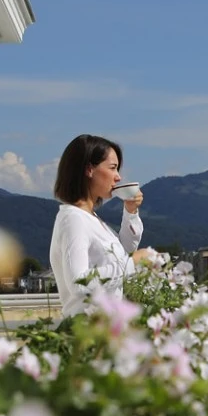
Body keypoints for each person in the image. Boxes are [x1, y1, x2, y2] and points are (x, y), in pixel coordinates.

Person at [48, 134, 148, 316]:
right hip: (87, 331)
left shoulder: (90, 218)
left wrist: (130, 212)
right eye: (113, 168)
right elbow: (79, 282)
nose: (118, 177)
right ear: (89, 170)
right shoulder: (74, 219)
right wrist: (132, 264)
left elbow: (123, 250)